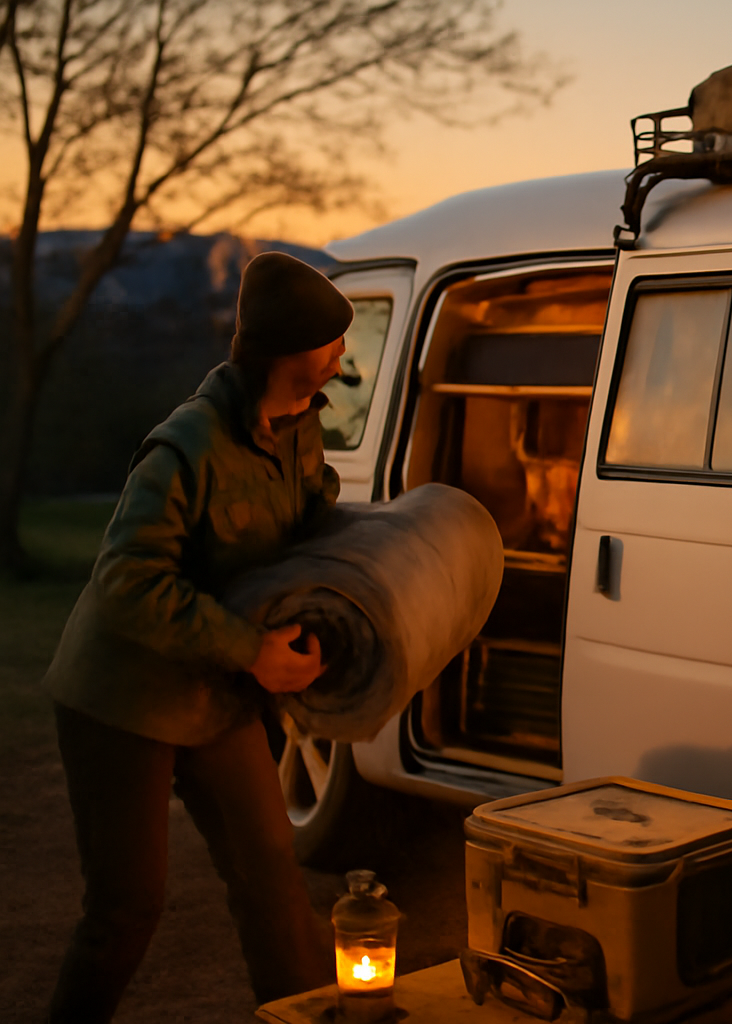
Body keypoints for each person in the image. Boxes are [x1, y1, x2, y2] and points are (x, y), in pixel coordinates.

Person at [42, 251, 355, 1021]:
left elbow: (311, 532)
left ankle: (304, 1017)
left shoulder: (302, 430)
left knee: (271, 877)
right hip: (121, 699)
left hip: (215, 691)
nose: (344, 355)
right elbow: (126, 584)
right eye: (334, 341)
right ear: (293, 352)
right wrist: (251, 649)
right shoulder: (186, 445)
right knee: (128, 907)